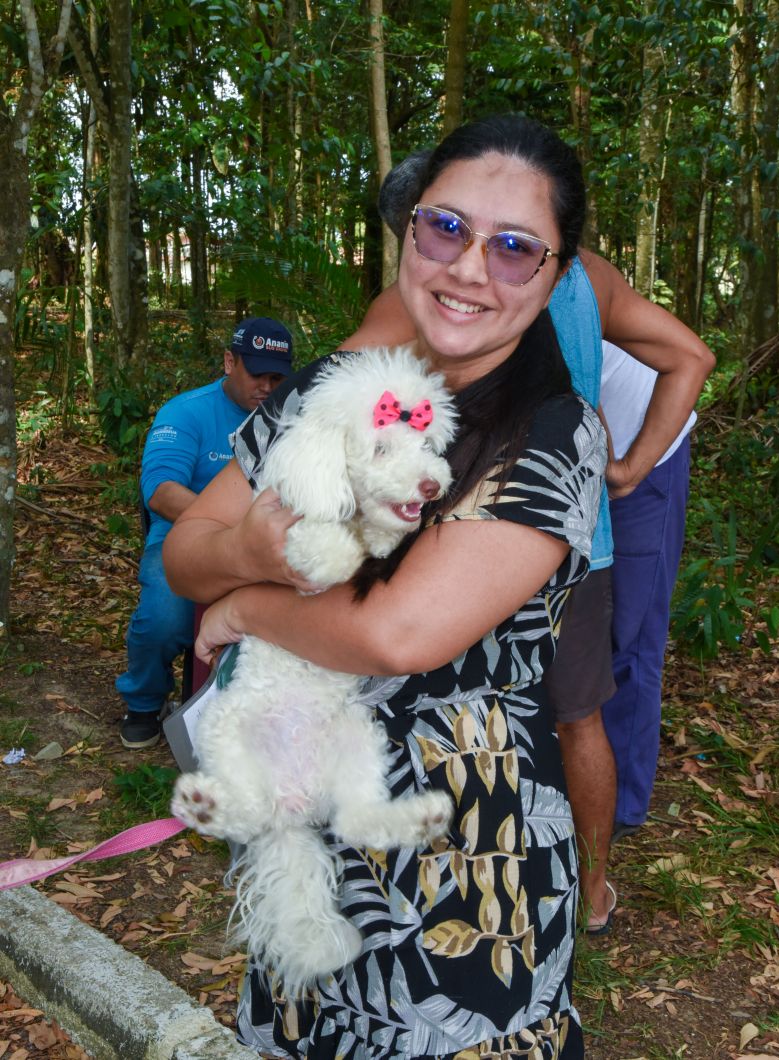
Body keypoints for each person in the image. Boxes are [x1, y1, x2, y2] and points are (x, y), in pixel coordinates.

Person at [165, 114, 607, 1058]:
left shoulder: (555, 431)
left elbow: (400, 634)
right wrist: (250, 551)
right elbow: (186, 548)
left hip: (467, 875)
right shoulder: (332, 386)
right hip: (310, 841)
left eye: (516, 248)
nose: (469, 268)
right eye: (446, 227)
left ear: (557, 276)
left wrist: (242, 603)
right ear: (409, 231)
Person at [346, 151, 715, 933]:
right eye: (444, 231)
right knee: (579, 716)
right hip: (579, 538)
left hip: (467, 542)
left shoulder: (418, 302)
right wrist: (622, 470)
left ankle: (452, 894)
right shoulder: (584, 275)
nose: (465, 263)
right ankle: (592, 890)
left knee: (453, 709)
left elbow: (327, 401)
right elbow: (692, 354)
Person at [116, 317, 293, 750]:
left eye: (277, 377)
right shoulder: (186, 411)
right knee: (163, 613)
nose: (267, 387)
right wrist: (227, 531)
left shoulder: (291, 419)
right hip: (182, 536)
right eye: (257, 374)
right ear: (229, 362)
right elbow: (160, 491)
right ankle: (143, 701)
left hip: (268, 540)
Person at [600, 340, 695, 835]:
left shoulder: (570, 283)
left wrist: (627, 468)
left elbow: (692, 357)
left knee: (630, 639)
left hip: (645, 451)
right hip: (578, 456)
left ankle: (616, 814)